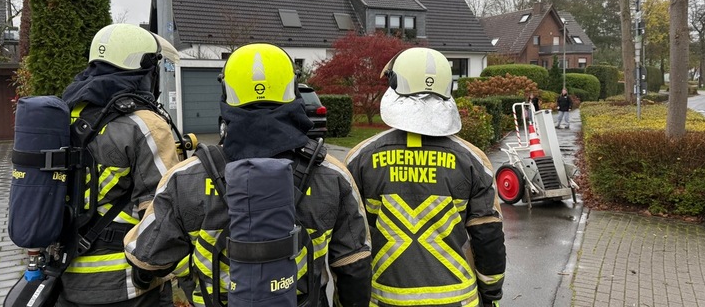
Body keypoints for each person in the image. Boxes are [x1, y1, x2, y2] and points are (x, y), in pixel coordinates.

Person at [123, 43, 372, 307]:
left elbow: (146, 262)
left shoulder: (184, 179)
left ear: (226, 94)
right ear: (293, 91)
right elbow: (353, 269)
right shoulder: (333, 175)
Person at [345, 47, 506, 307]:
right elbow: (488, 238)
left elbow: (350, 245)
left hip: (385, 299)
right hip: (458, 299)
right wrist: (491, 293)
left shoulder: (359, 159)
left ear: (394, 86)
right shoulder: (474, 161)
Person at [57, 23, 181, 306]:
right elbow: (165, 213)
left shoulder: (65, 113)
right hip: (126, 286)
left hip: (65, 277)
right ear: (144, 70)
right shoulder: (146, 125)